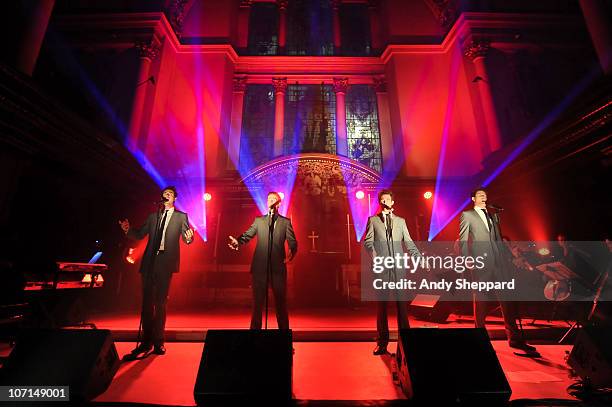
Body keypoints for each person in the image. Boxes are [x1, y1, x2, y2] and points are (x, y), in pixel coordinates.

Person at [459, 188, 538, 355]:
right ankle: (479, 336)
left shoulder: (493, 215)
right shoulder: (467, 216)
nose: (484, 197)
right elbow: (463, 240)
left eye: (485, 195)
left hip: (500, 263)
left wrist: (508, 258)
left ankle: (515, 339)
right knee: (481, 301)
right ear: (473, 198)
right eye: (480, 195)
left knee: (507, 300)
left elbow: (499, 240)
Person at [119, 186, 194, 358]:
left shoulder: (181, 216)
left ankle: (159, 342)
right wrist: (127, 229)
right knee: (146, 304)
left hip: (165, 263)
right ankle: (146, 342)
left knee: (160, 303)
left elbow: (186, 238)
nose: (166, 195)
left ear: (174, 198)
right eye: (164, 193)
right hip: (149, 263)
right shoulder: (154, 216)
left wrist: (189, 237)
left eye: (169, 194)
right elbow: (139, 234)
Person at [364, 189, 421, 355]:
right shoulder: (373, 220)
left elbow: (408, 242)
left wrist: (418, 257)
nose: (385, 201)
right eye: (382, 199)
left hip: (398, 268)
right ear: (380, 202)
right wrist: (375, 257)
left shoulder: (401, 221)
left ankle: (406, 343)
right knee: (381, 307)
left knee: (402, 307)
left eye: (387, 199)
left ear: (392, 203)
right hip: (382, 268)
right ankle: (382, 343)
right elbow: (368, 242)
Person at [228, 192, 297, 329]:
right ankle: (254, 336)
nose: (270, 201)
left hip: (277, 269)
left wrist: (291, 253)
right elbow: (248, 235)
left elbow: (293, 242)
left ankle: (283, 338)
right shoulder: (259, 221)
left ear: (279, 203)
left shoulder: (285, 222)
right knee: (257, 303)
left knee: (280, 304)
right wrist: (238, 241)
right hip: (259, 268)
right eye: (269, 199)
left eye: (274, 199)